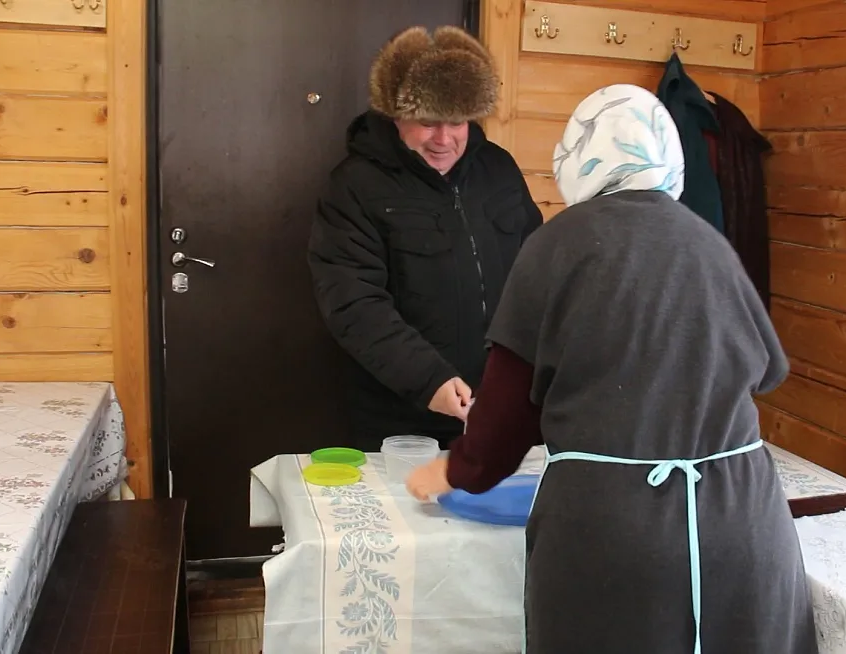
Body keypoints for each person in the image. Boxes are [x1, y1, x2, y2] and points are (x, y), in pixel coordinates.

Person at [406, 84, 818, 654]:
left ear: (576, 160)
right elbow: (768, 371)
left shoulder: (555, 247)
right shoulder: (710, 244)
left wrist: (456, 472)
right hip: (739, 522)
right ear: (670, 160)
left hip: (613, 534)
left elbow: (505, 418)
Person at [308, 26, 543, 452]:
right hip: (403, 419)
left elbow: (540, 271)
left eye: (457, 122)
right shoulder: (355, 185)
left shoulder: (499, 170)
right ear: (395, 114)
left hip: (502, 405)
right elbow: (354, 304)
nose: (444, 138)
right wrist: (429, 379)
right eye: (427, 122)